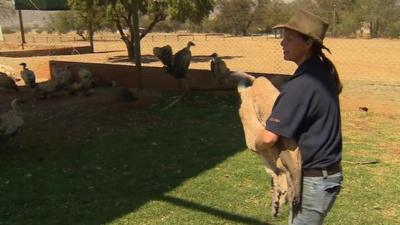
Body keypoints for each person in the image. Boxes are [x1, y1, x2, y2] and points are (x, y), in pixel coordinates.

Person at [255, 9, 343, 225]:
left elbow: (268, 138)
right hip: (324, 175)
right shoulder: (321, 71)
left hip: (315, 180)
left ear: (308, 44)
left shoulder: (302, 84)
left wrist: (253, 141)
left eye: (289, 39)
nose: (282, 43)